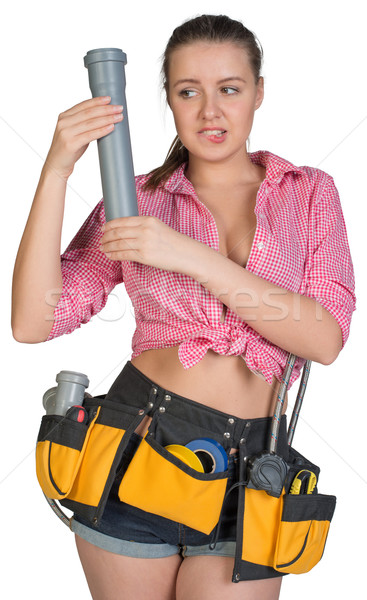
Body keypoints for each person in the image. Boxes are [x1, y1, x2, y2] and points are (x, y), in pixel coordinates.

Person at [11, 13, 356, 600]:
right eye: (187, 91)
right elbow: (32, 320)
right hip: (135, 444)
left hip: (255, 466)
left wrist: (186, 254)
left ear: (259, 92)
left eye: (230, 89)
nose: (210, 112)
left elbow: (323, 338)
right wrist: (57, 167)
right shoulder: (135, 201)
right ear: (168, 100)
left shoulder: (309, 192)